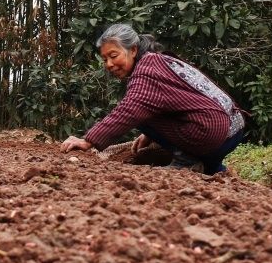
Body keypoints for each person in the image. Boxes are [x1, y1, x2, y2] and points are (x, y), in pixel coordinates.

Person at [61, 23, 246, 175]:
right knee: (145, 116)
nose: (109, 64)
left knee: (138, 113)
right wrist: (151, 135)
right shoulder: (158, 61)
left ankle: (186, 162)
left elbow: (129, 110)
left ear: (132, 50)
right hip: (232, 130)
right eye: (104, 59)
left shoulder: (147, 70)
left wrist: (87, 140)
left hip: (212, 133)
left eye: (113, 55)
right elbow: (178, 102)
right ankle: (218, 172)